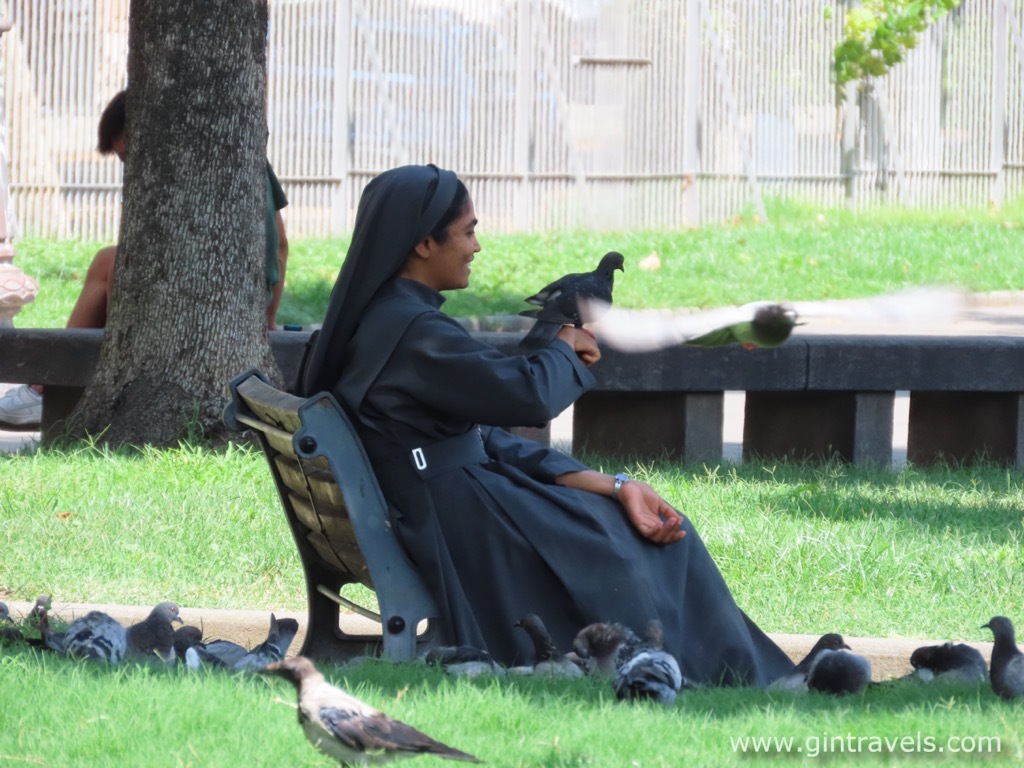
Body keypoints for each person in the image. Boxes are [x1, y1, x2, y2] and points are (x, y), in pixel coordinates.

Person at [300, 164, 795, 687]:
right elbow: (526, 396)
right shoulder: (412, 330)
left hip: (446, 505)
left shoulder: (386, 319)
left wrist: (615, 484)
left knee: (621, 521)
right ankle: (720, 676)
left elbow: (478, 429)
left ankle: (727, 671)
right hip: (461, 521)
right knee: (638, 546)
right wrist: (562, 349)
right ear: (424, 243)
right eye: (468, 231)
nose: (476, 246)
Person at [0, 90, 289, 428]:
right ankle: (49, 387)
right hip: (245, 304)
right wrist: (268, 317)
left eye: (128, 157)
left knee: (111, 263)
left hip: (205, 307)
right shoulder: (245, 154)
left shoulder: (181, 167)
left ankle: (48, 389)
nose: (130, 169)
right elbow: (281, 244)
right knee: (112, 262)